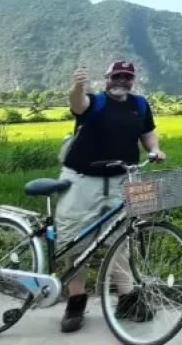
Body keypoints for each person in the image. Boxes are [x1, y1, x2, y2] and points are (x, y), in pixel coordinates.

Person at [57, 61, 166, 332]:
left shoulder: (139, 104)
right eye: (117, 75)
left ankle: (127, 298)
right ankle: (76, 300)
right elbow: (77, 104)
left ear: (133, 80)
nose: (122, 80)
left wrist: (154, 150)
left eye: (127, 77)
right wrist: (79, 85)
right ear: (107, 78)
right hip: (83, 180)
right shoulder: (94, 102)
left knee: (121, 239)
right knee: (75, 240)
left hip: (121, 180)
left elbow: (147, 133)